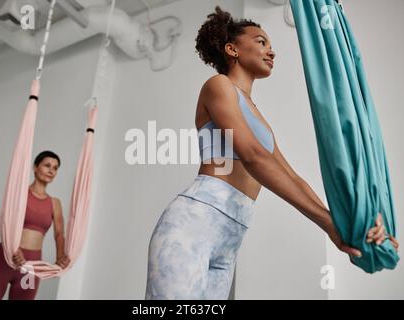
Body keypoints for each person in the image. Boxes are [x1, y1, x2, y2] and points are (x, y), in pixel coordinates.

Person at [144, 6, 399, 300]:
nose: (271, 52)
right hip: (194, 222)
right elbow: (253, 156)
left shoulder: (257, 116)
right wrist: (329, 223)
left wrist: (337, 224)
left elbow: (290, 175)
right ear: (232, 49)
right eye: (261, 42)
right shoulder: (219, 86)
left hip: (230, 239)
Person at [0, 151, 70, 300]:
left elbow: (59, 233)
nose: (51, 170)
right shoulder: (20, 193)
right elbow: (6, 221)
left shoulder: (55, 203)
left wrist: (60, 257)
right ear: (35, 167)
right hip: (5, 258)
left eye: (55, 168)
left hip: (31, 268)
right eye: (47, 165)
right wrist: (14, 249)